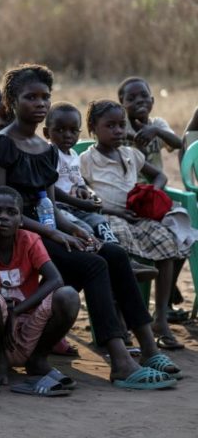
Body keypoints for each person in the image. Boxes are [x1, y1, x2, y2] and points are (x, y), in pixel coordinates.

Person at [0, 64, 180, 390]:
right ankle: (120, 361)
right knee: (94, 265)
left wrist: (75, 230)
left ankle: (149, 348)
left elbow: (50, 206)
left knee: (112, 252)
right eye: (31, 97)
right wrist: (52, 233)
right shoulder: (2, 145)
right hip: (14, 236)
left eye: (45, 97)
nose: (40, 104)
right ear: (12, 101)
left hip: (46, 231)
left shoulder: (45, 150)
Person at [80, 99, 191, 351]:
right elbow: (82, 194)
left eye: (121, 125)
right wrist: (110, 210)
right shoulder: (87, 160)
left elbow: (160, 175)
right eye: (110, 126)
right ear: (93, 128)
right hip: (107, 216)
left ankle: (160, 317)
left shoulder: (131, 154)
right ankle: (119, 320)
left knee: (166, 239)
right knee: (118, 242)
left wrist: (151, 192)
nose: (118, 131)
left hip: (136, 216)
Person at [0, 187, 80, 395]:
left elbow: (56, 279)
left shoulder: (29, 239)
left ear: (21, 220)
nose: (3, 217)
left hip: (27, 328)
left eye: (11, 212)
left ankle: (38, 360)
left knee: (68, 296)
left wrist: (17, 311)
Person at [42, 102, 158, 280]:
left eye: (73, 131)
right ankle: (110, 265)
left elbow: (78, 182)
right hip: (59, 209)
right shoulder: (49, 154)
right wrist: (79, 202)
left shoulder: (73, 155)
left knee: (101, 223)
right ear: (46, 133)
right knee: (85, 229)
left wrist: (85, 192)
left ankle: (124, 260)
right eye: (60, 130)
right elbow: (51, 188)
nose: (67, 135)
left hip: (77, 208)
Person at [117, 77, 181, 172]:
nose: (139, 100)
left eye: (144, 95)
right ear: (122, 107)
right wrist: (133, 137)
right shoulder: (118, 128)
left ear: (152, 100)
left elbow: (178, 144)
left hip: (156, 180)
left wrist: (157, 131)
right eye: (131, 99)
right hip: (126, 181)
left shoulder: (157, 124)